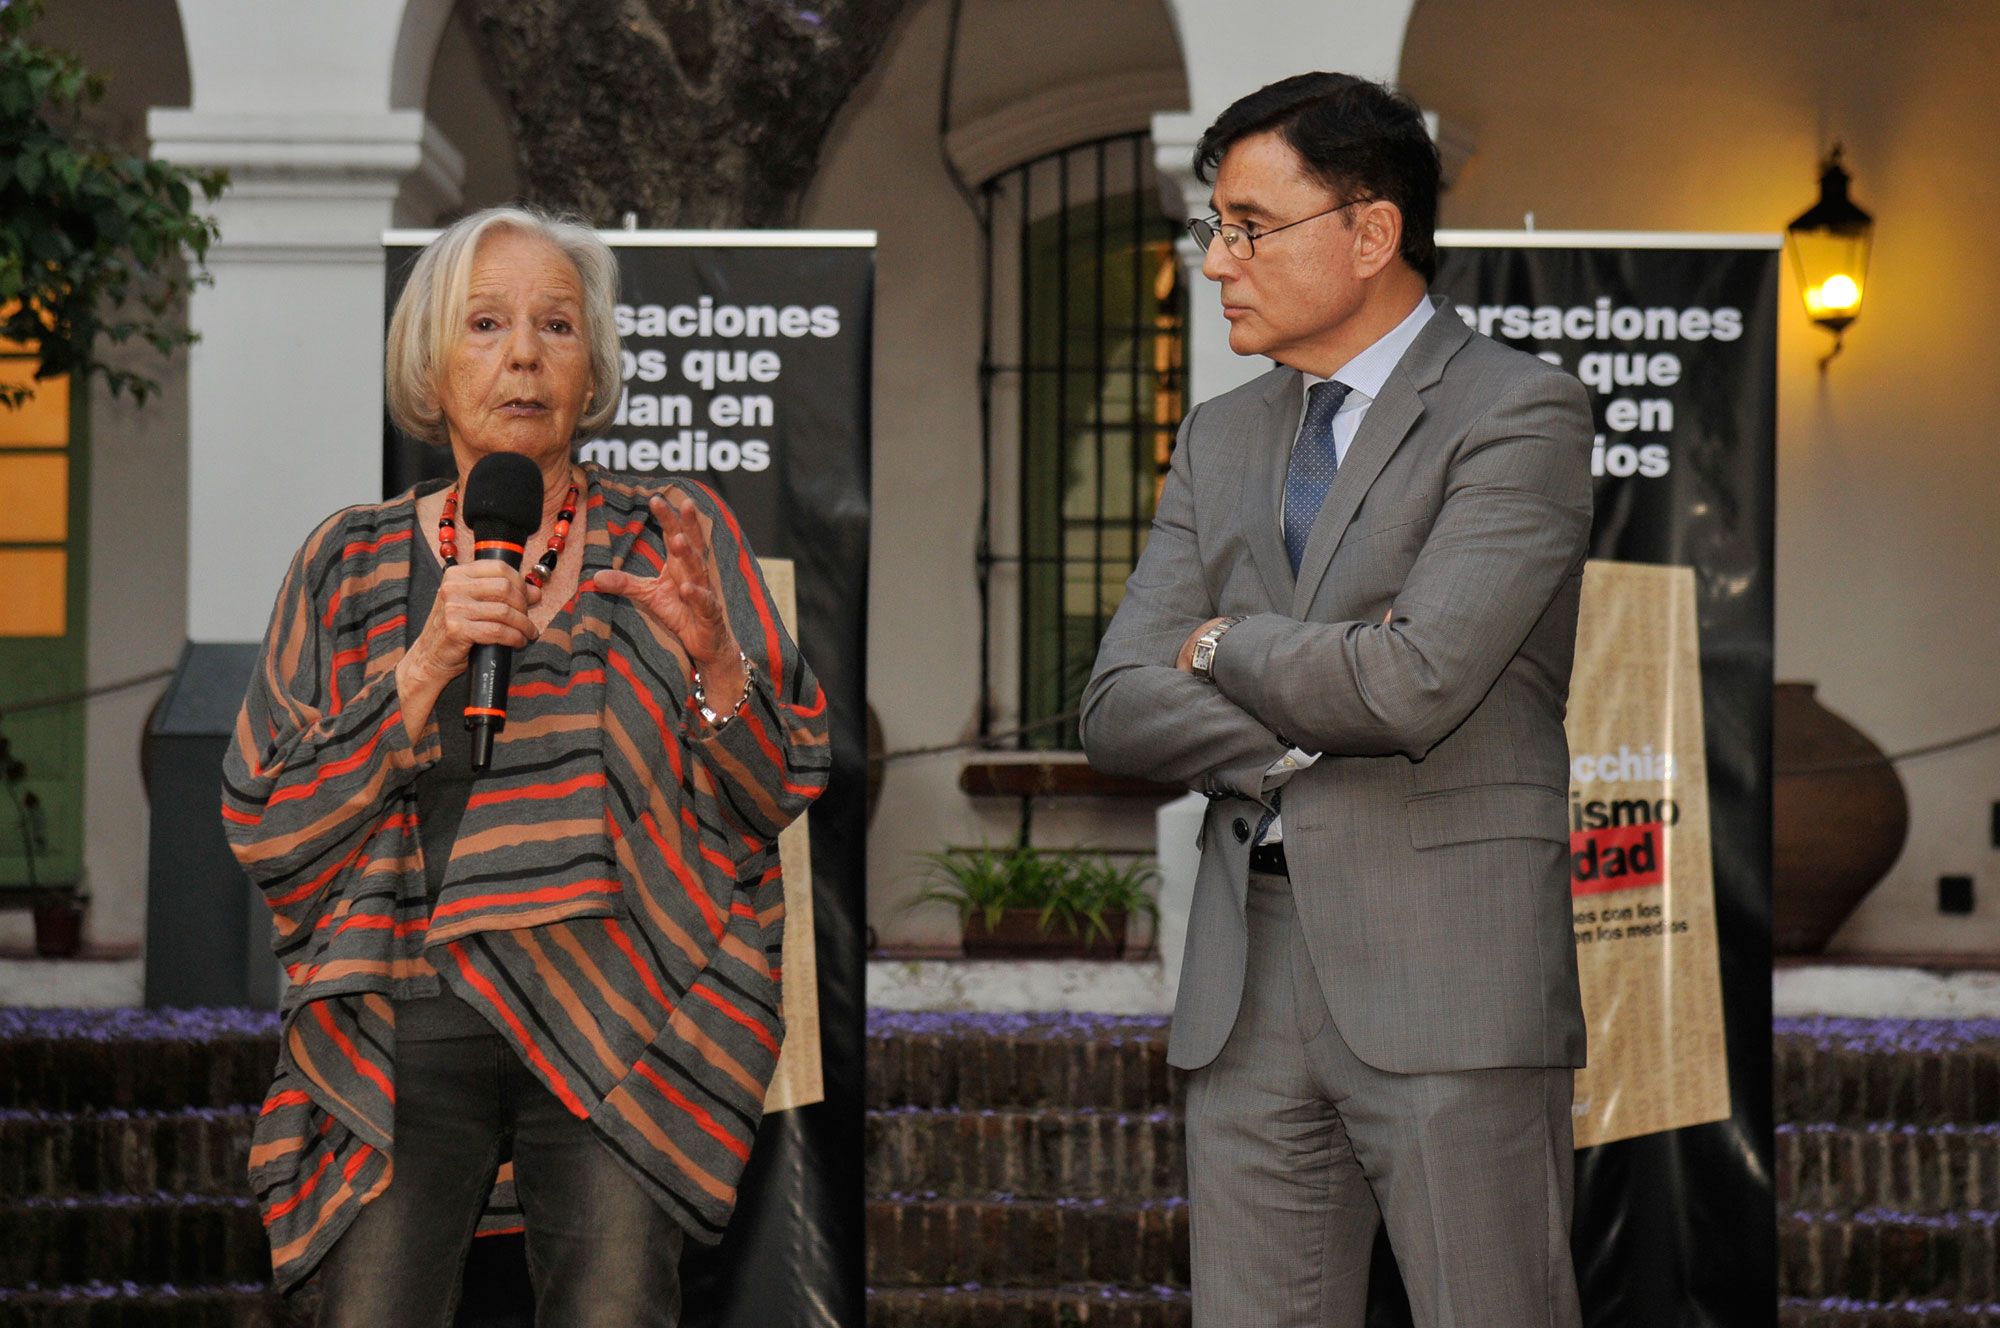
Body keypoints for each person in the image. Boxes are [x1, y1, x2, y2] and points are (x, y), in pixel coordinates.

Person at [221, 205, 830, 1326]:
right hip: (403, 1016)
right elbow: (265, 816)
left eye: (556, 325)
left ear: (592, 363)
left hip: (624, 1019)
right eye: (486, 323)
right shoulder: (346, 560)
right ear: (429, 360)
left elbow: (779, 782)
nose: (522, 355)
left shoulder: (673, 535)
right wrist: (426, 663)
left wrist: (713, 656)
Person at [1080, 73, 1593, 1327]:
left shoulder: (1517, 413)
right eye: (1215, 228)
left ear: (1369, 233)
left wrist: (1220, 641)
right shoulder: (1219, 435)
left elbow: (1413, 679)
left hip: (1449, 985)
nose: (1217, 262)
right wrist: (1296, 727)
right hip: (1246, 988)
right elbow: (1112, 705)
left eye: (1249, 227)